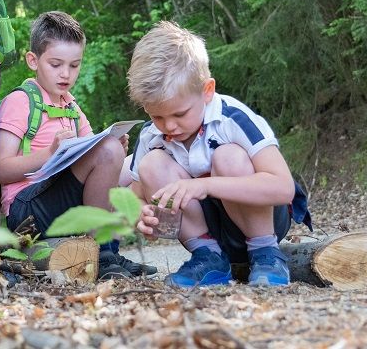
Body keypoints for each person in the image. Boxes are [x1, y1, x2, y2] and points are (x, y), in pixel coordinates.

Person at [127, 21, 311, 287]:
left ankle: (266, 254)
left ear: (207, 91)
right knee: (151, 164)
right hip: (205, 233)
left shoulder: (232, 119)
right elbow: (133, 195)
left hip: (259, 221)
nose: (169, 126)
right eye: (157, 116)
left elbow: (283, 188)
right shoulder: (151, 136)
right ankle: (208, 258)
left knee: (229, 156)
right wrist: (144, 215)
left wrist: (204, 185)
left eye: (180, 114)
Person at [0, 11, 156, 279]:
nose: (66, 74)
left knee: (140, 162)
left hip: (61, 202)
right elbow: (0, 170)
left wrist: (116, 150)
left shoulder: (71, 106)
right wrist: (48, 154)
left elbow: (95, 155)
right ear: (33, 60)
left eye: (74, 65)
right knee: (108, 152)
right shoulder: (21, 101)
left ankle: (109, 253)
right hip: (28, 211)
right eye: (56, 64)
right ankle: (101, 255)